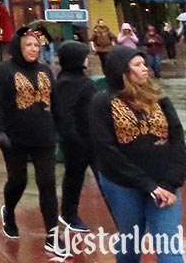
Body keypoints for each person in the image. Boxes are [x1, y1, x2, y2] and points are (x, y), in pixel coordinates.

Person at [89, 46, 186, 263]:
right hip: (123, 184)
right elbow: (106, 150)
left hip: (164, 184)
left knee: (170, 250)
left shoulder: (158, 98)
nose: (146, 69)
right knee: (130, 244)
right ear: (122, 71)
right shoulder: (102, 102)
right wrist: (147, 185)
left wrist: (171, 183)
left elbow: (178, 138)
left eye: (144, 63)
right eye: (138, 65)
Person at [0, 26, 62, 255]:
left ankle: (52, 235)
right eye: (28, 45)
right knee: (18, 181)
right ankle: (8, 211)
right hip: (15, 138)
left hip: (43, 136)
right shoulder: (4, 70)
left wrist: (61, 128)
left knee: (47, 183)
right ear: (19, 46)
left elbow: (55, 101)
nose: (33, 49)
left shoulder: (45, 70)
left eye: (36, 46)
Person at [52, 40, 95, 233]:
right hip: (77, 141)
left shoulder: (80, 78)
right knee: (74, 176)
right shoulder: (67, 82)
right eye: (84, 55)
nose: (88, 59)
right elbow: (64, 113)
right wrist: (73, 139)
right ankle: (69, 214)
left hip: (91, 137)